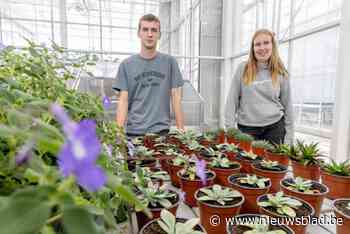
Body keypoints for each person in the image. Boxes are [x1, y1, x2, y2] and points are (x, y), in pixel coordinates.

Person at [113, 14, 184, 137]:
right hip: (134, 132)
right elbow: (123, 101)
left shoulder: (170, 62)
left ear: (159, 34)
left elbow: (176, 96)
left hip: (161, 132)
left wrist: (181, 130)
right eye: (145, 29)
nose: (149, 34)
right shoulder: (126, 65)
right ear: (139, 33)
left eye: (154, 30)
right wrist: (118, 135)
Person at [225, 29, 294, 145]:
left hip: (275, 129)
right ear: (253, 48)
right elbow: (231, 101)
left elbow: (288, 106)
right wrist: (230, 130)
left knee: (275, 163)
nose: (262, 48)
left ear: (273, 46)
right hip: (247, 130)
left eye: (266, 43)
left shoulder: (281, 72)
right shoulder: (243, 69)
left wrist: (289, 139)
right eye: (257, 44)